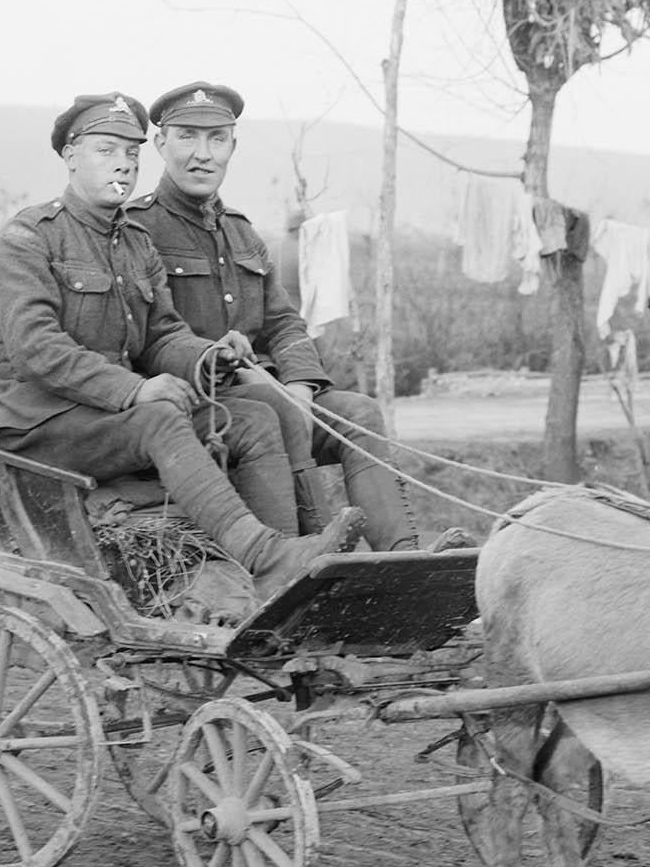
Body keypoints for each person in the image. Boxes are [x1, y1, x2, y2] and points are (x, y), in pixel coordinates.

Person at [0, 92, 363, 602]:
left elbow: (162, 334)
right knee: (160, 415)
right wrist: (135, 390)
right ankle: (264, 556)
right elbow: (35, 348)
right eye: (106, 150)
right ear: (70, 155)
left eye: (132, 154)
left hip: (107, 418)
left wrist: (208, 356)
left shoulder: (135, 243)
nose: (123, 163)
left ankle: (284, 577)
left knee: (253, 419)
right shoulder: (28, 238)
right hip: (42, 423)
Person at [129, 81, 468, 551]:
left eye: (217, 139)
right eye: (187, 137)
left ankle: (401, 555)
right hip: (196, 404)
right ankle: (303, 560)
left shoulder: (242, 234)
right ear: (161, 144)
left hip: (270, 395)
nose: (202, 154)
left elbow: (285, 323)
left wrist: (302, 389)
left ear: (232, 146)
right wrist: (253, 384)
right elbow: (149, 338)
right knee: (274, 415)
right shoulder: (137, 230)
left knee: (359, 413)